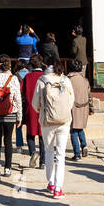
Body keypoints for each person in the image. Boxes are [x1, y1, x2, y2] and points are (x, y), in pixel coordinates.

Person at [32, 59, 75, 198]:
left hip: (47, 121)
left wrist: (43, 111)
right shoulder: (66, 80)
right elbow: (71, 100)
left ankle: (50, 183)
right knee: (61, 155)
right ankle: (58, 188)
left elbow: (35, 103)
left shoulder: (42, 80)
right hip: (64, 121)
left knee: (48, 150)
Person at [0, 55, 22, 183]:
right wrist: (19, 116)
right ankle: (7, 168)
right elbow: (18, 98)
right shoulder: (13, 79)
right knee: (8, 141)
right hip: (10, 113)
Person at [22, 54, 48, 168]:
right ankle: (43, 161)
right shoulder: (45, 77)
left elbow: (21, 91)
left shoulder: (27, 77)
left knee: (30, 134)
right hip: (43, 109)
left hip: (30, 108)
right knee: (43, 136)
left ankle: (33, 152)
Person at [67, 60, 91, 160]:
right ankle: (84, 145)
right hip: (84, 106)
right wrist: (91, 108)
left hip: (72, 107)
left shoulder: (68, 80)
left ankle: (77, 153)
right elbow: (89, 95)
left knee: (73, 130)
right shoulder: (85, 80)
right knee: (80, 127)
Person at [14, 58, 31, 149]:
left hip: (19, 101)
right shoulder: (30, 75)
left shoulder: (15, 76)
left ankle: (19, 145)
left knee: (18, 124)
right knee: (29, 124)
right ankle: (30, 145)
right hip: (29, 102)